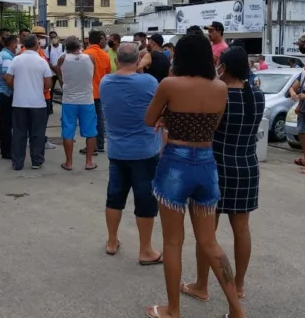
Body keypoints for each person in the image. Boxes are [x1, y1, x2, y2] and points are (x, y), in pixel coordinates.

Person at [143, 33, 244, 318]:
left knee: (173, 241)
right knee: (209, 241)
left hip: (176, 161)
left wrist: (167, 117)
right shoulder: (221, 88)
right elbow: (214, 123)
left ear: (181, 56)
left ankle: (173, 310)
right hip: (206, 163)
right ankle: (237, 310)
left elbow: (150, 120)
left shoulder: (169, 84)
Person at [183, 45, 264, 305]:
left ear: (224, 67)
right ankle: (238, 285)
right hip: (247, 167)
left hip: (215, 166)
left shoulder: (219, 94)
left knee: (207, 235)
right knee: (242, 229)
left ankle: (201, 284)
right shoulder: (258, 95)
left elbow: (208, 130)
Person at [100, 42, 163, 266]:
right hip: (145, 150)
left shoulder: (106, 82)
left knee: (114, 196)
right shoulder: (148, 81)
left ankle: (111, 240)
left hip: (117, 151)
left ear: (117, 61)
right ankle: (145, 249)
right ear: (137, 61)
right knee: (145, 200)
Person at [5, 34, 53, 170]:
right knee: (37, 133)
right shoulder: (42, 61)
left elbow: (8, 79)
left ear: (24, 45)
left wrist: (18, 88)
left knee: (19, 133)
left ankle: (18, 163)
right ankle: (36, 161)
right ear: (37, 45)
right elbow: (49, 83)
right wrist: (39, 88)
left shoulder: (16, 60)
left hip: (19, 102)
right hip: (38, 103)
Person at [56, 36, 97, 170]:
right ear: (79, 46)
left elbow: (59, 72)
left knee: (68, 132)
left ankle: (69, 162)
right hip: (87, 100)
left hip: (69, 100)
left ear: (66, 47)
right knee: (91, 131)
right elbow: (93, 75)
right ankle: (89, 162)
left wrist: (64, 83)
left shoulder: (63, 59)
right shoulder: (90, 58)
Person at [20, 26, 56, 149]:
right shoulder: (27, 52)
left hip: (40, 93)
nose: (42, 40)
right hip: (39, 94)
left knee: (39, 122)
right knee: (38, 122)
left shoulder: (39, 51)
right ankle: (38, 143)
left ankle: (40, 140)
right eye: (40, 38)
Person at [80, 30, 112, 156]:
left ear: (88, 40)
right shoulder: (105, 56)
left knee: (89, 120)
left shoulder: (85, 54)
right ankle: (99, 145)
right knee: (100, 119)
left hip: (87, 92)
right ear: (100, 41)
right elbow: (108, 74)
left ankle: (90, 147)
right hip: (101, 92)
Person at [0, 35, 18, 160]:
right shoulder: (7, 57)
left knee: (4, 122)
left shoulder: (2, 54)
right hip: (7, 93)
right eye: (16, 44)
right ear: (13, 44)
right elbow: (7, 77)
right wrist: (17, 89)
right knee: (7, 124)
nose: (17, 46)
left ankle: (5, 148)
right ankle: (7, 150)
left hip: (3, 92)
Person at [47, 30, 65, 109]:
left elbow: (65, 58)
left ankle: (65, 106)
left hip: (62, 72)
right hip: (52, 73)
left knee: (65, 90)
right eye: (51, 38)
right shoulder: (49, 48)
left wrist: (59, 70)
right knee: (50, 91)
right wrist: (54, 69)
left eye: (54, 37)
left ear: (57, 37)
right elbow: (47, 60)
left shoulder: (63, 47)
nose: (53, 39)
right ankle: (50, 107)